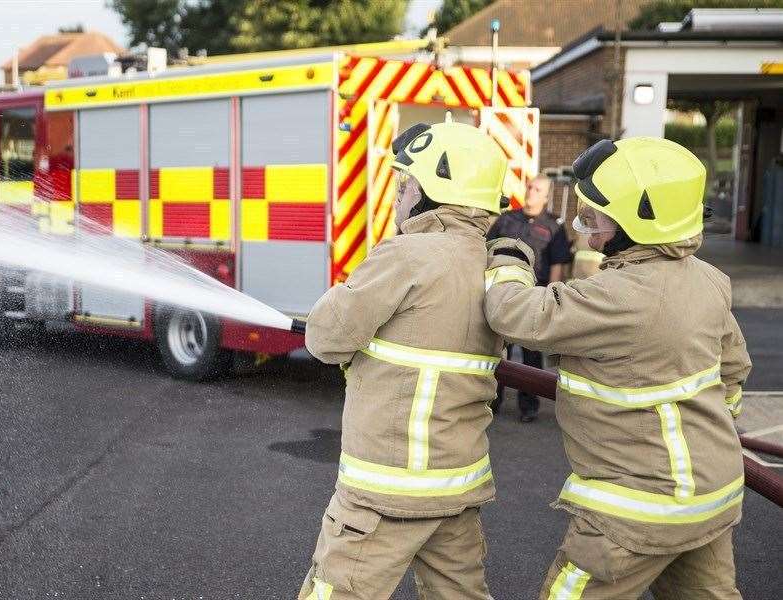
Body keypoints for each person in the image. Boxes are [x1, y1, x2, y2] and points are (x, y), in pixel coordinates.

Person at [482, 137, 751, 599]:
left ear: (640, 223)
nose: (586, 233)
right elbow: (733, 372)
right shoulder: (709, 280)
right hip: (712, 497)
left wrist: (508, 261)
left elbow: (515, 314)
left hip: (635, 511)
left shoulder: (617, 295)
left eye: (596, 219)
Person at [298, 120, 508, 600]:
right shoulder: (492, 264)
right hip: (457, 487)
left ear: (430, 191)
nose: (397, 196)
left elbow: (325, 340)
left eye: (405, 184)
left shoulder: (406, 255)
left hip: (385, 492)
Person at [488, 174, 572, 422]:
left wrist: (552, 298)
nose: (531, 191)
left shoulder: (553, 226)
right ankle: (494, 401)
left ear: (546, 196)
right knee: (498, 351)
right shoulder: (506, 220)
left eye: (537, 189)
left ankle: (528, 405)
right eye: (529, 187)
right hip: (501, 294)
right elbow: (487, 250)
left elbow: (557, 264)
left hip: (534, 297)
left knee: (531, 354)